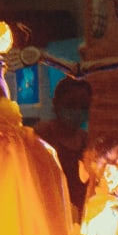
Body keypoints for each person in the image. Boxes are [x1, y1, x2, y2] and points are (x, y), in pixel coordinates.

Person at [35, 75, 94, 215]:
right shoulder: (40, 137)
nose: (77, 112)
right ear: (56, 103)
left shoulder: (86, 142)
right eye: (71, 105)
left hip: (78, 220)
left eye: (83, 107)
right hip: (46, 214)